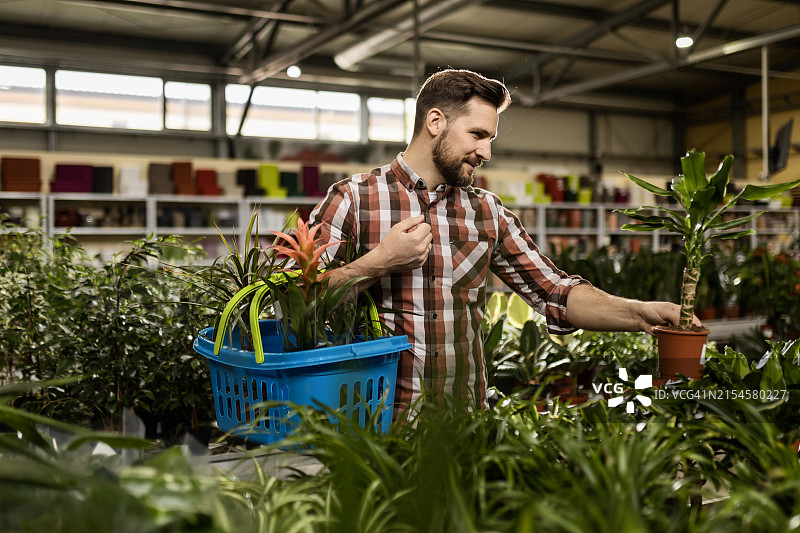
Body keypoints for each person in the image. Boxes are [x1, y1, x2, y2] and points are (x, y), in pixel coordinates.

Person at [308, 68, 693, 416]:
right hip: (373, 425)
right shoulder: (354, 198)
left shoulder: (486, 212)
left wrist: (641, 314)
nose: (486, 153)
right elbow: (300, 300)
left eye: (490, 139)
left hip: (462, 425)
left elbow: (554, 293)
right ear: (436, 122)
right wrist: (379, 262)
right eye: (477, 135)